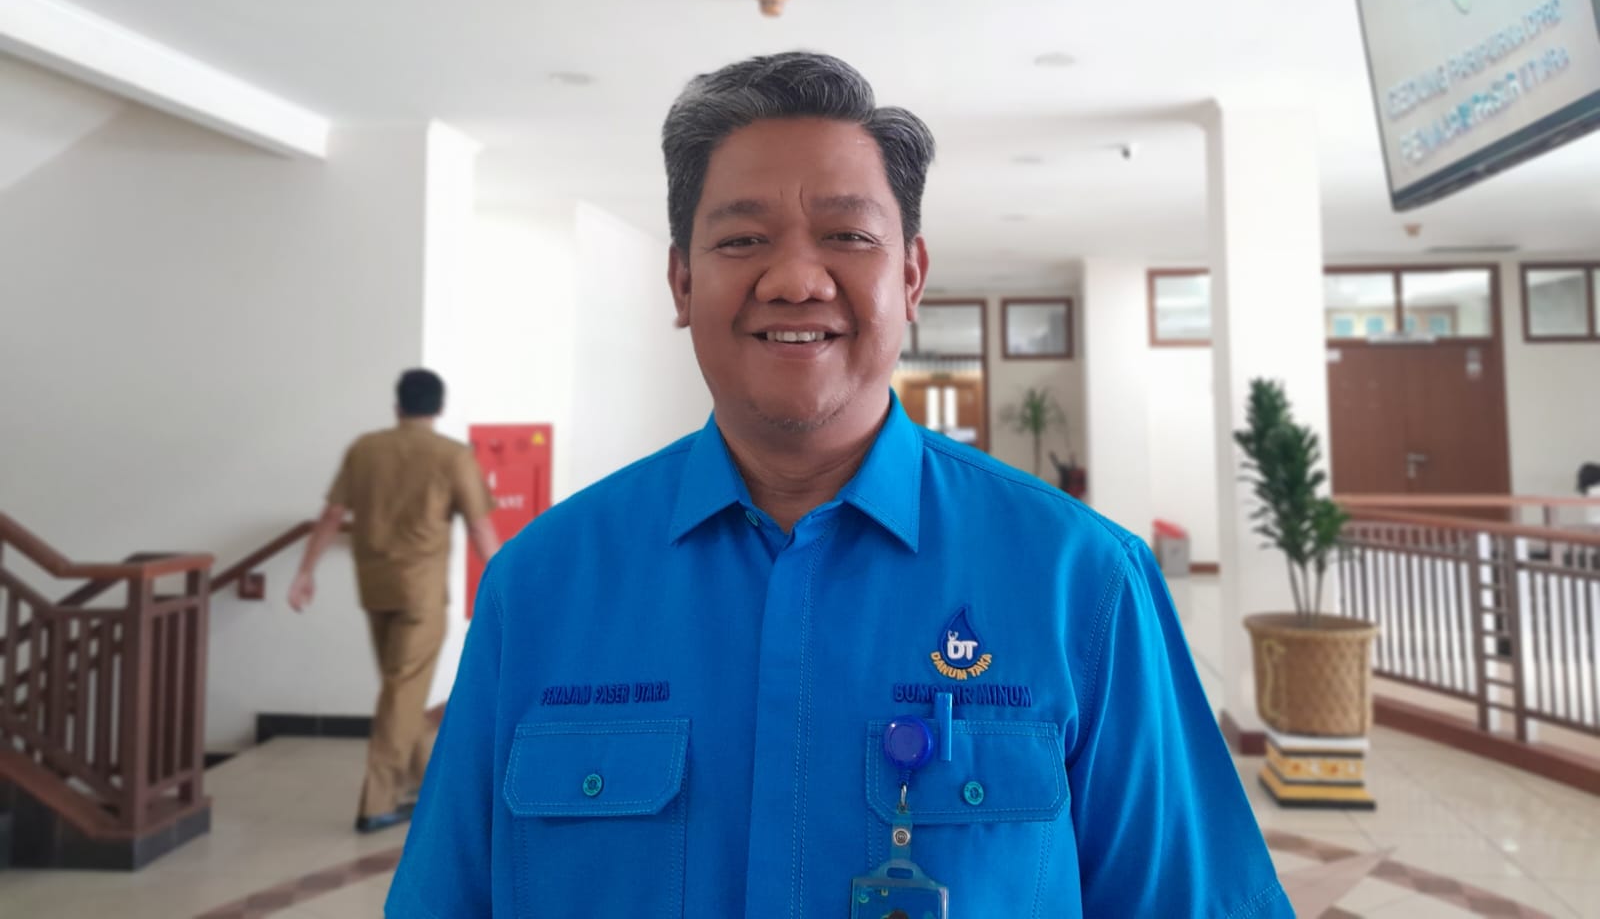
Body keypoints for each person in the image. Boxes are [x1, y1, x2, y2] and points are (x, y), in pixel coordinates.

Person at [386, 53, 1292, 916]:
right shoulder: (540, 589)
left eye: (848, 236)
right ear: (682, 281)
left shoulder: (1083, 585)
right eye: (743, 239)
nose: (794, 279)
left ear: (911, 276)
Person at [290, 367, 501, 834]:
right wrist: (509, 586)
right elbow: (481, 528)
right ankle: (377, 803)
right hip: (420, 594)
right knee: (402, 697)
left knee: (400, 693)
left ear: (397, 405)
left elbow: (331, 515)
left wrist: (306, 572)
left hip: (375, 589)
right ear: (439, 407)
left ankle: (427, 781)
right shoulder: (453, 456)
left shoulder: (365, 449)